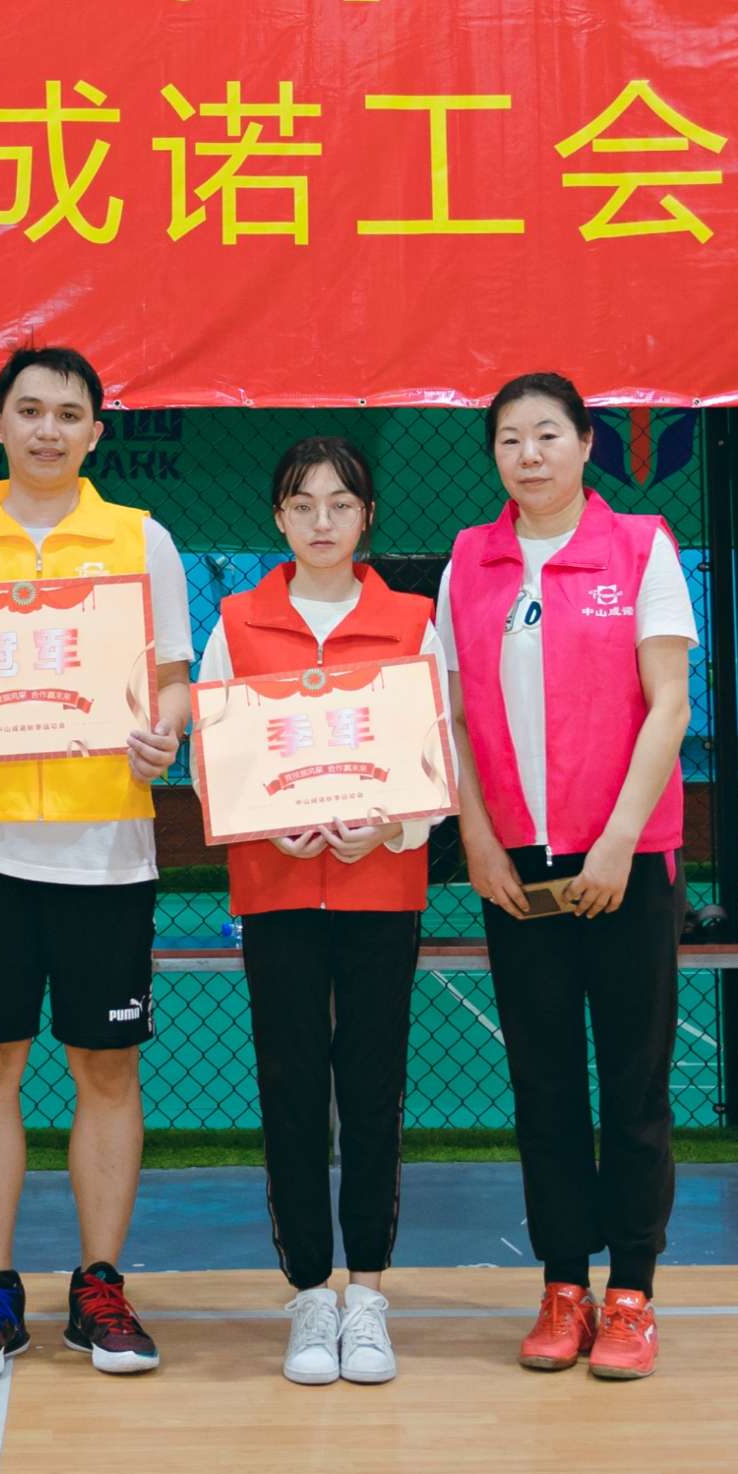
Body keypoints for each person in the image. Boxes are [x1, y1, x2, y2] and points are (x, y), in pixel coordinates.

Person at [0, 341, 196, 1380]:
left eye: (69, 414)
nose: (48, 430)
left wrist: (165, 730)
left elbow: (173, 680)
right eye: (30, 410)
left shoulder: (142, 540)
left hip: (107, 852)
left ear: (96, 432)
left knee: (106, 1069)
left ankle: (100, 1285)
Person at [434, 371, 695, 1383]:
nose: (529, 455)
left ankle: (631, 1292)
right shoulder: (470, 560)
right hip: (519, 871)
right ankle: (561, 1286)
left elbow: (668, 703)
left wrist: (620, 840)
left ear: (588, 444)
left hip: (627, 859)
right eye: (510, 439)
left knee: (632, 1083)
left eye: (548, 434)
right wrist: (480, 839)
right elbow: (455, 717)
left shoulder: (642, 547)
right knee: (543, 1087)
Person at [197, 437, 437, 1388]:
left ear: (366, 516)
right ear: (279, 518)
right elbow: (214, 756)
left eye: (341, 504)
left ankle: (366, 1294)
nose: (323, 522)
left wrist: (395, 828)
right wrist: (266, 825)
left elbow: (437, 749)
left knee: (373, 1091)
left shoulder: (414, 620)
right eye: (304, 506)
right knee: (291, 1090)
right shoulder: (237, 622)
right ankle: (307, 1292)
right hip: (279, 888)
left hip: (383, 889)